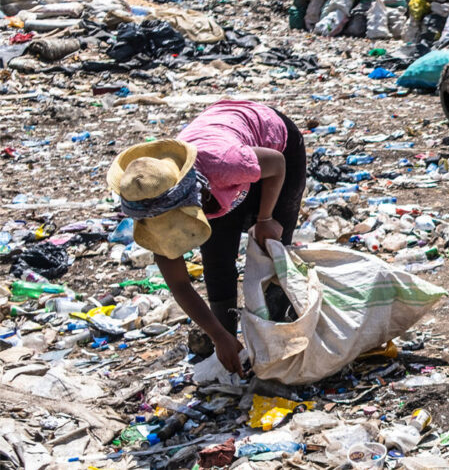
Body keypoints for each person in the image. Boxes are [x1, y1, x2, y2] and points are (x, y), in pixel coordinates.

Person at [107, 100, 306, 374]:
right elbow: (179, 284)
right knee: (218, 261)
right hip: (218, 183)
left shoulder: (224, 163)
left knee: (271, 249)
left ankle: (282, 340)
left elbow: (277, 164)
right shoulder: (150, 206)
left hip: (273, 148)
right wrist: (219, 337)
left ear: (191, 203)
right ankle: (232, 350)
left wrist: (265, 218)